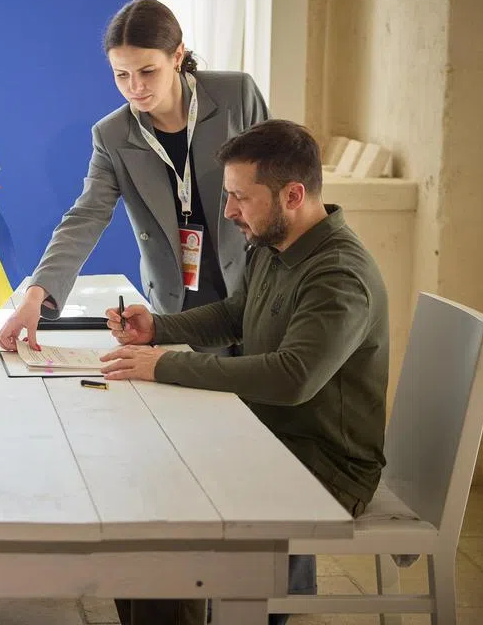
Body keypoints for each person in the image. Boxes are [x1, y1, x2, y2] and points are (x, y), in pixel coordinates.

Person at [101, 120, 389, 625]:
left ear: (292, 195)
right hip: (266, 438)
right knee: (141, 484)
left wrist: (166, 364)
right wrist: (158, 329)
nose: (229, 211)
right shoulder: (274, 244)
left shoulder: (339, 275)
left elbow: (292, 378)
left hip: (323, 468)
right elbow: (235, 315)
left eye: (241, 197)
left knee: (165, 516)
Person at [0, 0, 270, 353]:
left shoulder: (237, 96)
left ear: (177, 55)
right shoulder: (112, 135)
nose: (135, 87)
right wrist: (35, 295)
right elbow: (86, 216)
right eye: (121, 75)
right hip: (177, 302)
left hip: (255, 283)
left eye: (147, 71)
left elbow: (277, 182)